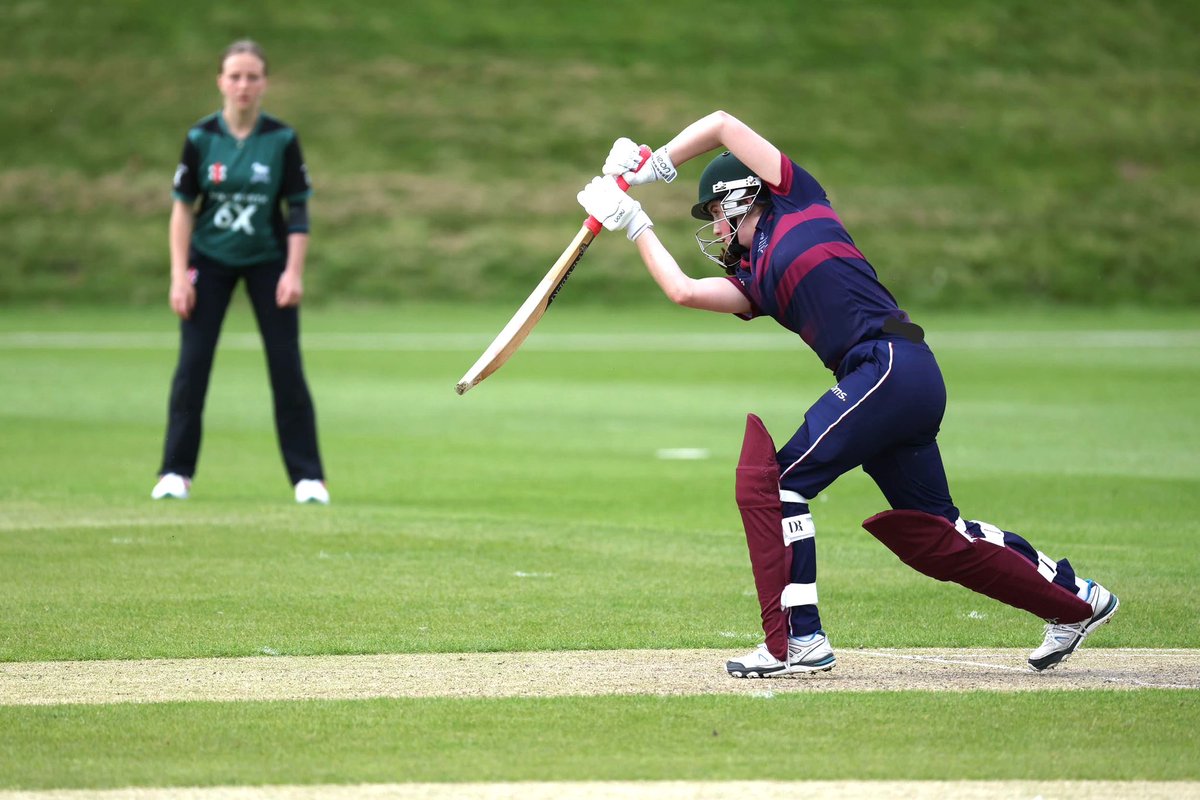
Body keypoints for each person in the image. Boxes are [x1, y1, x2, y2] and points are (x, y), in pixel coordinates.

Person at [576, 110, 1117, 676]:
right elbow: (684, 291)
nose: (714, 229)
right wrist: (635, 223)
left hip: (887, 365)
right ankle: (1078, 600)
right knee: (936, 535)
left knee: (780, 485)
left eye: (716, 213)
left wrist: (653, 167)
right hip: (892, 379)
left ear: (742, 197)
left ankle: (799, 641)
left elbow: (722, 124)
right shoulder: (752, 281)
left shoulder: (795, 196)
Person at [151, 39, 328, 505]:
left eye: (252, 76)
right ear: (220, 82)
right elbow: (183, 210)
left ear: (264, 83)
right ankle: (175, 472)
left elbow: (298, 212)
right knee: (192, 367)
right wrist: (178, 274)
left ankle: (308, 478)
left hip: (269, 259)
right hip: (207, 262)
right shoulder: (200, 138)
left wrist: (293, 271)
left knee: (286, 367)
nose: (243, 85)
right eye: (235, 76)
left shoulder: (282, 140)